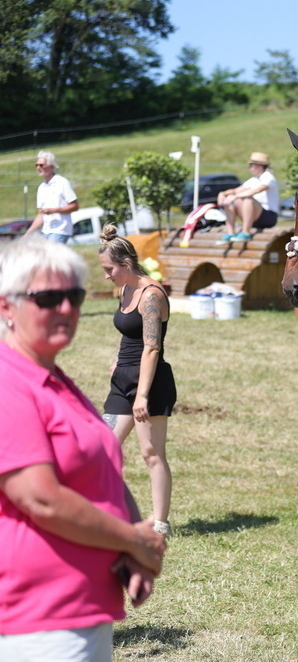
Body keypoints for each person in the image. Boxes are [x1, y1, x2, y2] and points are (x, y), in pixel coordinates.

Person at [0, 236, 166, 660]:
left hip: (81, 611)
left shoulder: (56, 381)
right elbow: (42, 498)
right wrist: (132, 538)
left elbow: (103, 473)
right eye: (48, 298)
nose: (67, 309)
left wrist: (129, 551)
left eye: (73, 296)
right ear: (6, 307)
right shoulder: (9, 383)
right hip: (36, 620)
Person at [98, 225, 175, 538]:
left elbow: (152, 347)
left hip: (150, 382)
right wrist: (118, 360)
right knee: (103, 448)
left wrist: (141, 396)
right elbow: (129, 335)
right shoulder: (125, 289)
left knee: (151, 452)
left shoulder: (151, 295)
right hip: (122, 381)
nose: (106, 276)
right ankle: (111, 512)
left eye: (108, 269)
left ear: (125, 265)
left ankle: (160, 524)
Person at [215, 151, 279, 242]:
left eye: (251, 165)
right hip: (254, 216)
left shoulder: (268, 177)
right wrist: (222, 194)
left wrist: (235, 196)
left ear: (258, 165)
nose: (250, 168)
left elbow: (256, 191)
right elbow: (235, 190)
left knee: (248, 200)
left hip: (268, 217)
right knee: (230, 201)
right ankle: (230, 232)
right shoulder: (254, 180)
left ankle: (245, 232)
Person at [25, 150, 79, 244]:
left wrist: (54, 210)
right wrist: (28, 233)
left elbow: (75, 206)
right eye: (37, 165)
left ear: (51, 167)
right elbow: (41, 214)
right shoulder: (41, 187)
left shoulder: (62, 182)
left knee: (52, 257)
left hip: (60, 230)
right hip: (46, 231)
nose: (38, 167)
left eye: (41, 165)